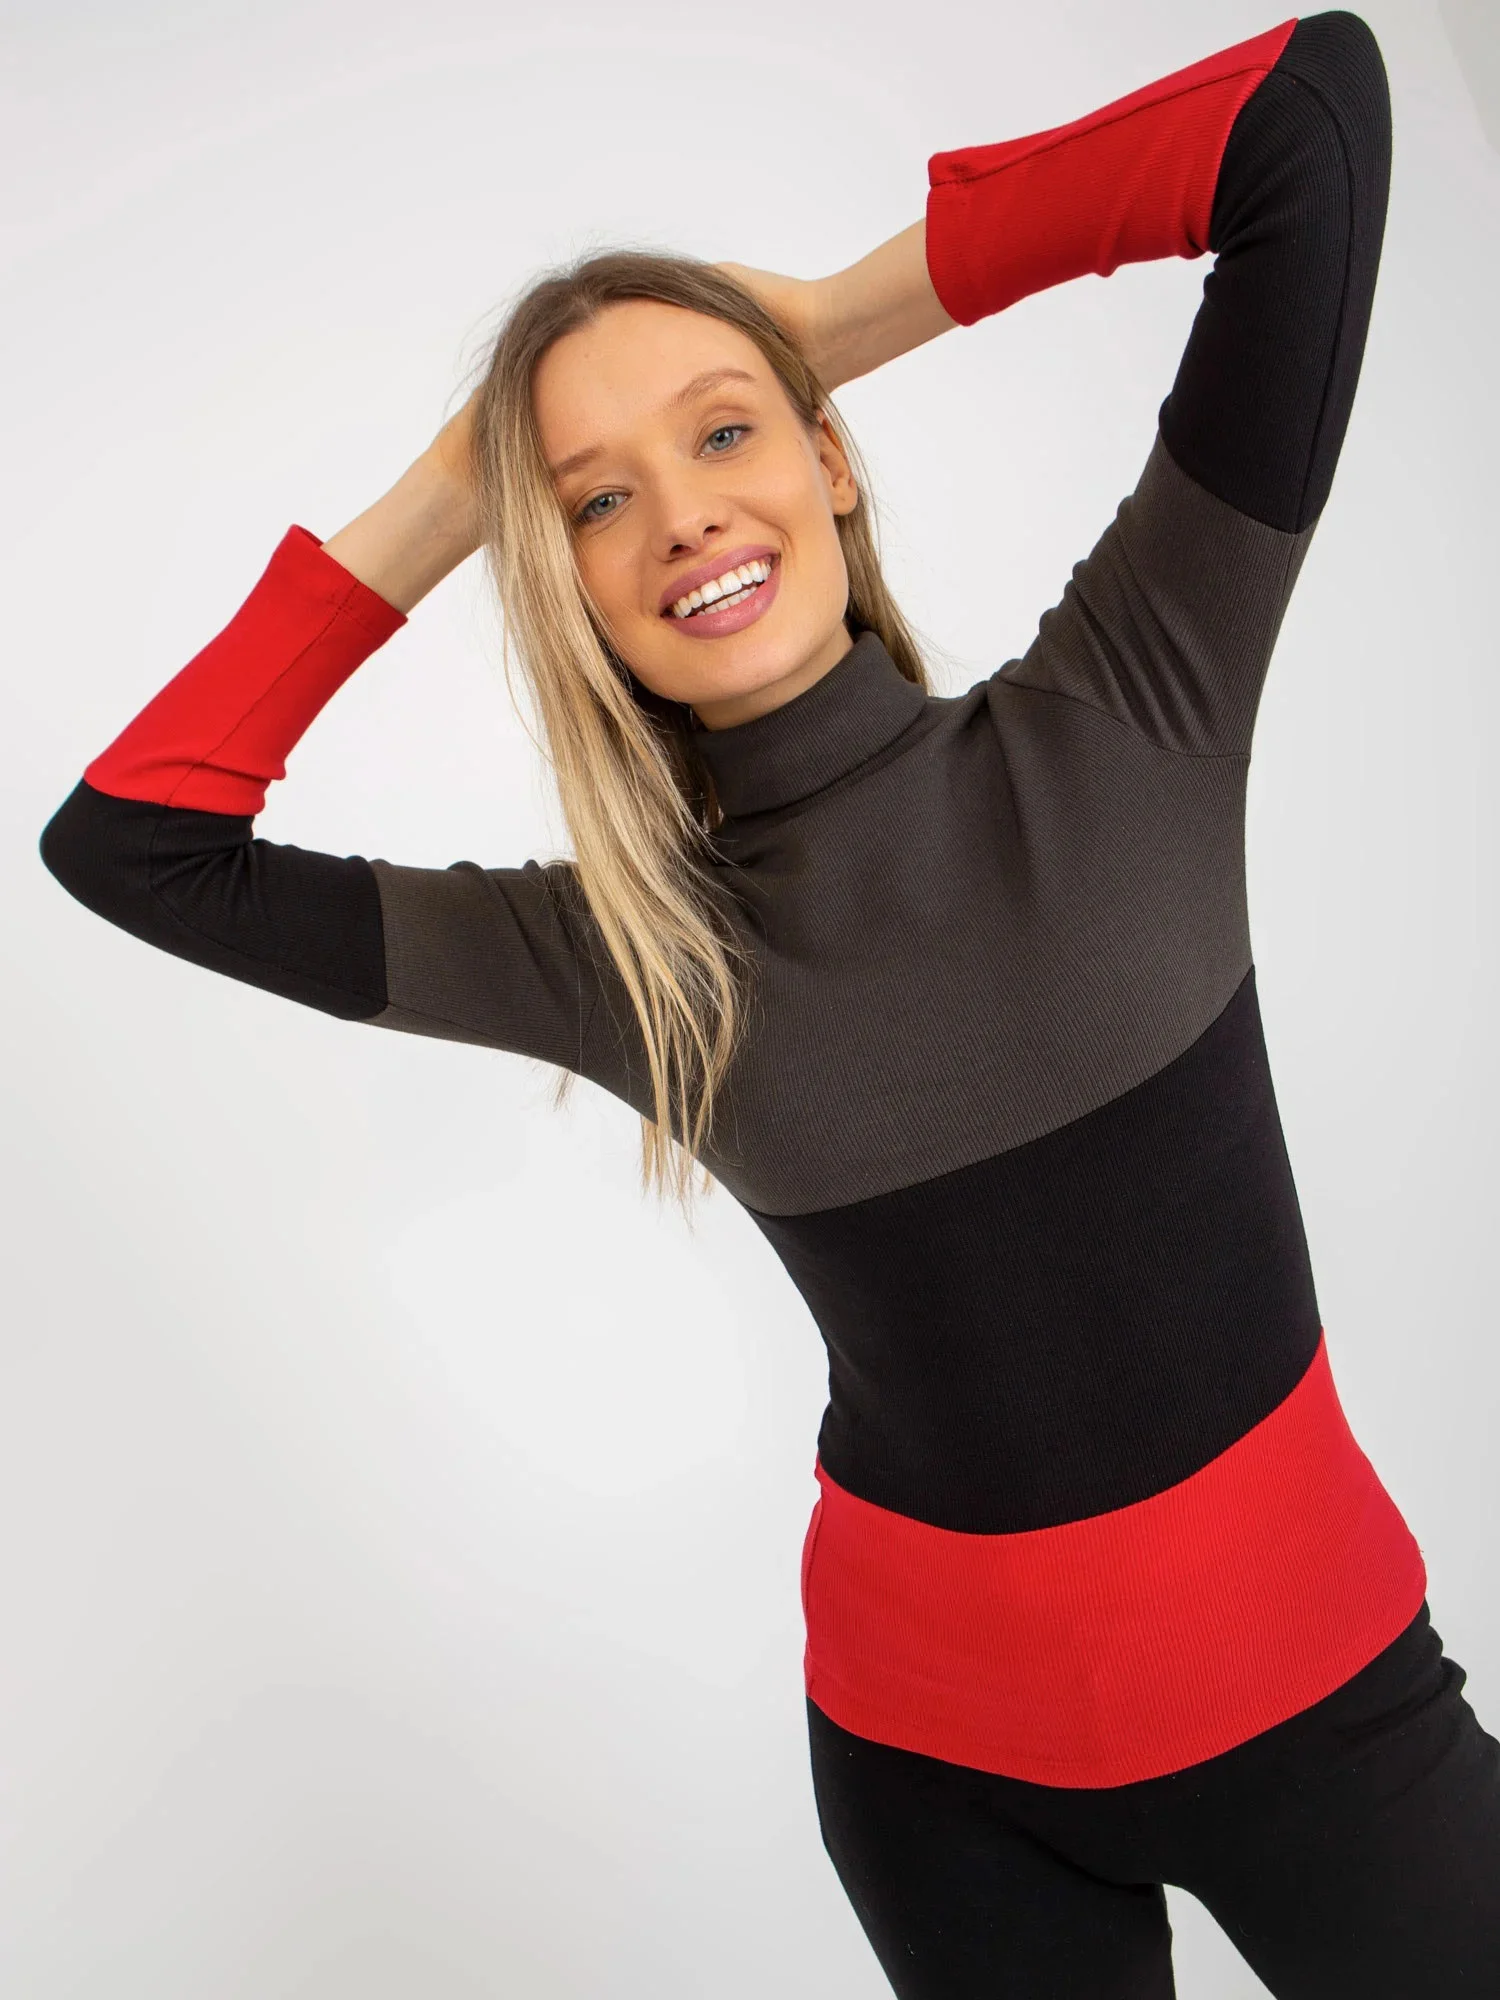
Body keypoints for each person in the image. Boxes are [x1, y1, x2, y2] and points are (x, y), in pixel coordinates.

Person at [40, 9, 1500, 1995]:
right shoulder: (625, 958)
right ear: (562, 580)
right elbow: (133, 843)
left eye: (725, 432)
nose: (682, 517)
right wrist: (450, 502)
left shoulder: (1135, 704)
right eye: (594, 502)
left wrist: (820, 316)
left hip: (1326, 1715)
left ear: (829, 454)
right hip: (939, 1774)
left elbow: (1309, 119)